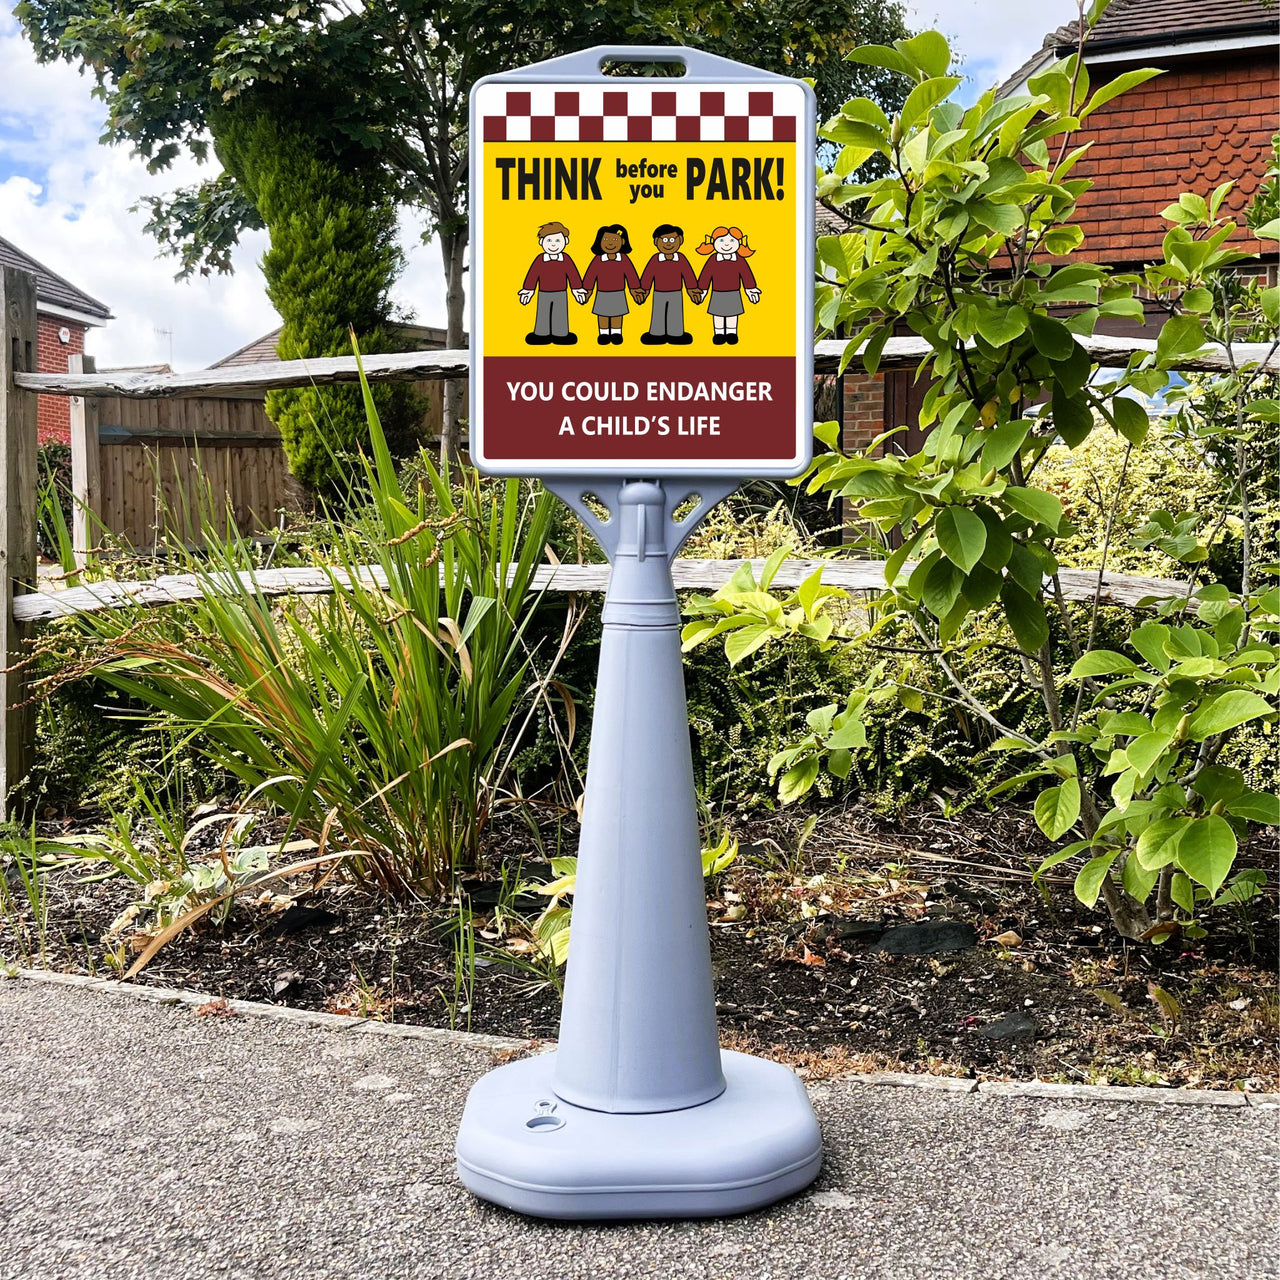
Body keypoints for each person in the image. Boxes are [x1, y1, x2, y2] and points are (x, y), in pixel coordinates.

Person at [634, 224, 703, 346]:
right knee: (658, 313)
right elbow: (647, 276)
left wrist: (692, 289)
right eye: (664, 240)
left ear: (680, 240)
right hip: (658, 293)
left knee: (675, 313)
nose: (668, 243)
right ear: (656, 241)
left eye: (672, 239)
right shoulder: (655, 259)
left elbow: (688, 275)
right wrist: (644, 290)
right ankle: (656, 334)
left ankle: (676, 334)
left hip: (676, 293)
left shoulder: (681, 259)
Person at [519, 222, 588, 345]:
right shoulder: (540, 260)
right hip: (543, 293)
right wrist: (528, 291)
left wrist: (576, 289)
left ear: (565, 241)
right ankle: (541, 334)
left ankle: (561, 334)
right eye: (549, 240)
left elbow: (573, 275)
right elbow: (532, 276)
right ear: (541, 242)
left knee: (560, 314)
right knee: (542, 313)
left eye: (557, 240)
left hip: (561, 293)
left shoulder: (566, 259)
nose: (553, 244)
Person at [694, 226, 759, 345]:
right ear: (714, 242)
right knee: (717, 314)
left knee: (733, 314)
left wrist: (750, 289)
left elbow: (746, 275)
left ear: (739, 243)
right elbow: (705, 276)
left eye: (732, 241)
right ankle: (718, 333)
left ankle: (731, 333)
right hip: (717, 293)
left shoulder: (739, 260)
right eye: (722, 240)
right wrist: (702, 291)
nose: (727, 244)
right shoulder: (713, 260)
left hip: (734, 293)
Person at [582, 225, 642, 345]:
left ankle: (616, 333)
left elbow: (631, 275)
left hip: (619, 293)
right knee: (602, 314)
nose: (610, 243)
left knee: (617, 314)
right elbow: (590, 276)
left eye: (614, 240)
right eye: (605, 239)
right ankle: (603, 333)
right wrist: (587, 291)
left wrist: (635, 289)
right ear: (599, 242)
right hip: (602, 293)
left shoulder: (624, 259)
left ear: (622, 242)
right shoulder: (598, 260)